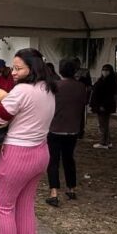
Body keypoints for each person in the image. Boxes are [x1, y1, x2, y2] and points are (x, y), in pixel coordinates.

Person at [0, 48, 57, 234]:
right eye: (13, 67)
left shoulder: (21, 91)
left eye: (18, 68)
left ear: (32, 68)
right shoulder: (48, 89)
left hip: (17, 155)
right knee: (25, 206)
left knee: (3, 207)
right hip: (41, 153)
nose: (14, 72)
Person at [45, 59, 88, 207]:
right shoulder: (81, 87)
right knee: (69, 159)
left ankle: (54, 192)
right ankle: (71, 188)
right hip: (73, 129)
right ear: (75, 71)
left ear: (60, 70)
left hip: (55, 128)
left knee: (53, 161)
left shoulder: (55, 86)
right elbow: (83, 106)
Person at [90, 64, 117, 149]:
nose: (104, 72)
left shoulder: (110, 82)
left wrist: (102, 105)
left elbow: (108, 96)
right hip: (100, 105)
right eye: (103, 70)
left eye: (107, 70)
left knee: (102, 125)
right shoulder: (102, 80)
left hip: (104, 106)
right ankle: (108, 141)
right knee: (104, 124)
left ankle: (103, 142)